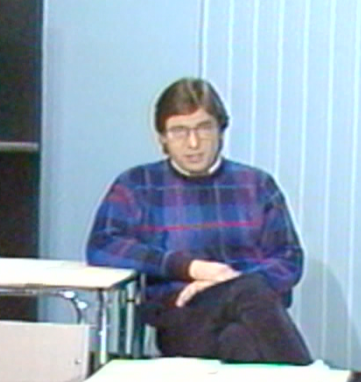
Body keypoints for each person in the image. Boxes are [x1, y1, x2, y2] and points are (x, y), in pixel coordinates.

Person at [86, 77, 312, 365]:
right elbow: (103, 245)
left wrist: (226, 283)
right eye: (179, 131)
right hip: (182, 315)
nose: (193, 143)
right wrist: (191, 268)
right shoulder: (138, 184)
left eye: (204, 128)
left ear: (221, 131)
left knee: (239, 337)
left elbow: (289, 258)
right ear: (162, 138)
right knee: (249, 292)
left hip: (253, 315)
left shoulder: (256, 184)